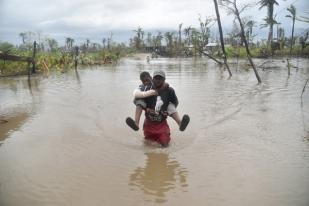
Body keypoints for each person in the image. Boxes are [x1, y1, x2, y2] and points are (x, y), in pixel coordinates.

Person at [142, 70, 189, 147]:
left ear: (164, 80)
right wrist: (146, 109)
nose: (157, 80)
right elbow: (139, 102)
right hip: (149, 123)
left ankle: (180, 124)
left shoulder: (169, 90)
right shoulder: (147, 89)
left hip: (162, 124)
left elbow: (175, 102)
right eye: (156, 78)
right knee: (149, 145)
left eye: (160, 78)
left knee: (165, 145)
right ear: (153, 79)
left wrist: (167, 111)